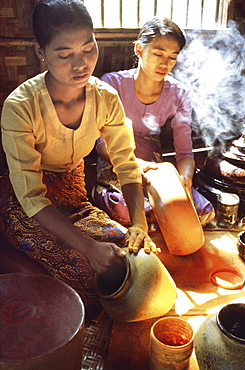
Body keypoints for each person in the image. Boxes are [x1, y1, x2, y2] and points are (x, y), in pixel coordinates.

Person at [0, 0, 157, 318]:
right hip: (26, 207)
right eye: (64, 54)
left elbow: (125, 164)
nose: (81, 64)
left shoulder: (106, 99)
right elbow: (30, 195)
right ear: (40, 52)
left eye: (88, 48)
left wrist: (139, 224)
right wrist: (87, 247)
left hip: (74, 198)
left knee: (134, 261)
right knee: (86, 276)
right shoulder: (21, 107)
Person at [94, 17, 215, 227]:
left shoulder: (180, 93)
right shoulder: (111, 84)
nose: (165, 64)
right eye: (158, 54)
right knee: (126, 210)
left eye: (172, 57)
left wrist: (184, 180)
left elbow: (185, 152)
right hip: (116, 163)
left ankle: (157, 220)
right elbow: (102, 145)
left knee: (204, 211)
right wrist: (134, 165)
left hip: (156, 168)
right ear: (139, 49)